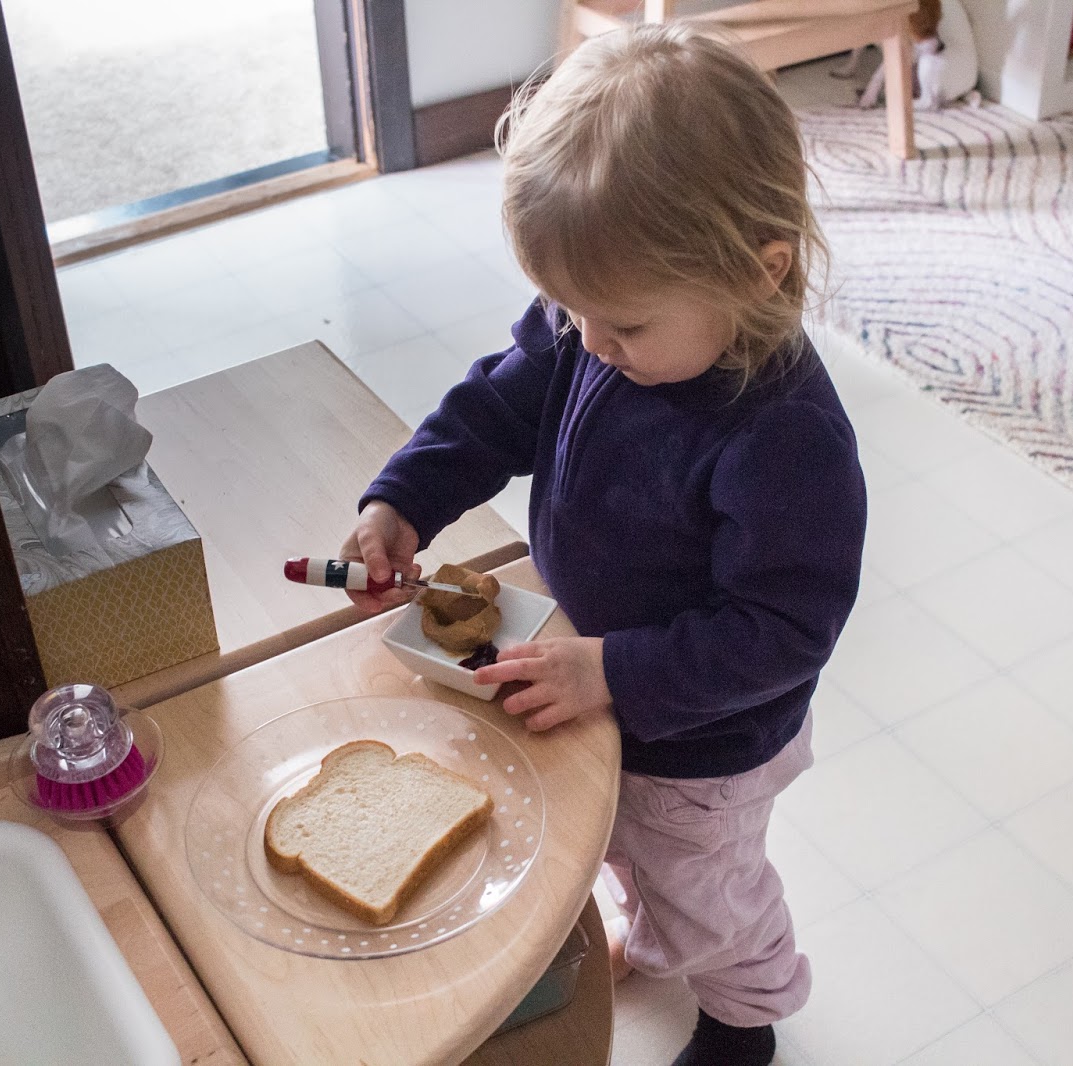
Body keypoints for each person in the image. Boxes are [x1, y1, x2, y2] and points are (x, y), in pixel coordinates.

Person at [341, 22, 866, 1066]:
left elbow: (782, 629)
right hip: (600, 675)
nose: (587, 344)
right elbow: (493, 406)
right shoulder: (603, 319)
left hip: (702, 740)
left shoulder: (785, 436)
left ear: (759, 275)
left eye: (620, 326)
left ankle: (745, 1011)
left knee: (706, 888)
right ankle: (659, 919)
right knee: (612, 836)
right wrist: (404, 499)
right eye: (568, 310)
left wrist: (612, 673)